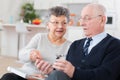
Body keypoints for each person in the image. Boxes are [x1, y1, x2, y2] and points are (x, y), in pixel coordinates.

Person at [45, 3, 120, 80]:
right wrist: (51, 72)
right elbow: (66, 74)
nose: (82, 23)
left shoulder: (115, 46)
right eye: (81, 18)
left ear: (102, 20)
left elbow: (106, 76)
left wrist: (74, 72)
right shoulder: (75, 45)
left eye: (87, 18)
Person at [1, 6, 72, 80]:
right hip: (27, 75)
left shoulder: (70, 46)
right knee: (7, 77)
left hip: (46, 78)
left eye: (64, 23)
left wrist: (47, 76)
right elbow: (21, 55)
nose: (60, 26)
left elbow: (66, 74)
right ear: (48, 25)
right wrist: (30, 54)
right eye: (56, 22)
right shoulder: (40, 37)